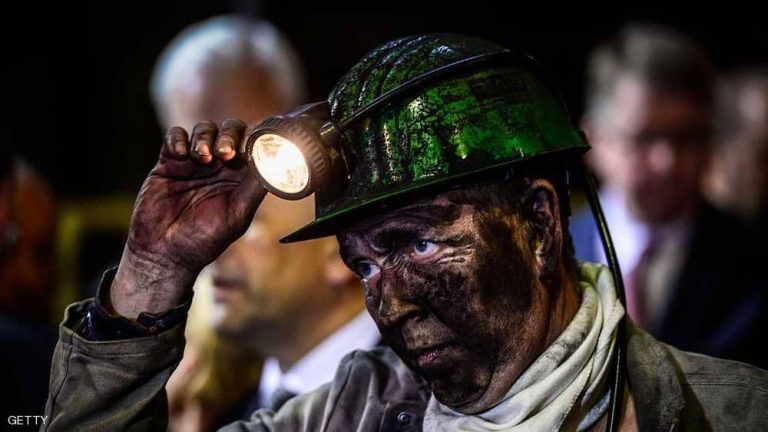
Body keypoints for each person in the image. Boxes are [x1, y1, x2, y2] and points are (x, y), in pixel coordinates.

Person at [44, 34, 768, 431]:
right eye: (362, 264)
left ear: (540, 225)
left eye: (416, 244)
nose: (388, 302)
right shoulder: (344, 415)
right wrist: (153, 270)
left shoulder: (728, 413)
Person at [150, 16, 379, 430]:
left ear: (340, 245)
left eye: (249, 224)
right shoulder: (204, 401)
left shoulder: (430, 396)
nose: (213, 246)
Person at [571, 25, 767, 367]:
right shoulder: (551, 253)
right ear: (594, 141)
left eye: (686, 138)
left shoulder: (753, 266)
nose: (667, 162)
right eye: (644, 138)